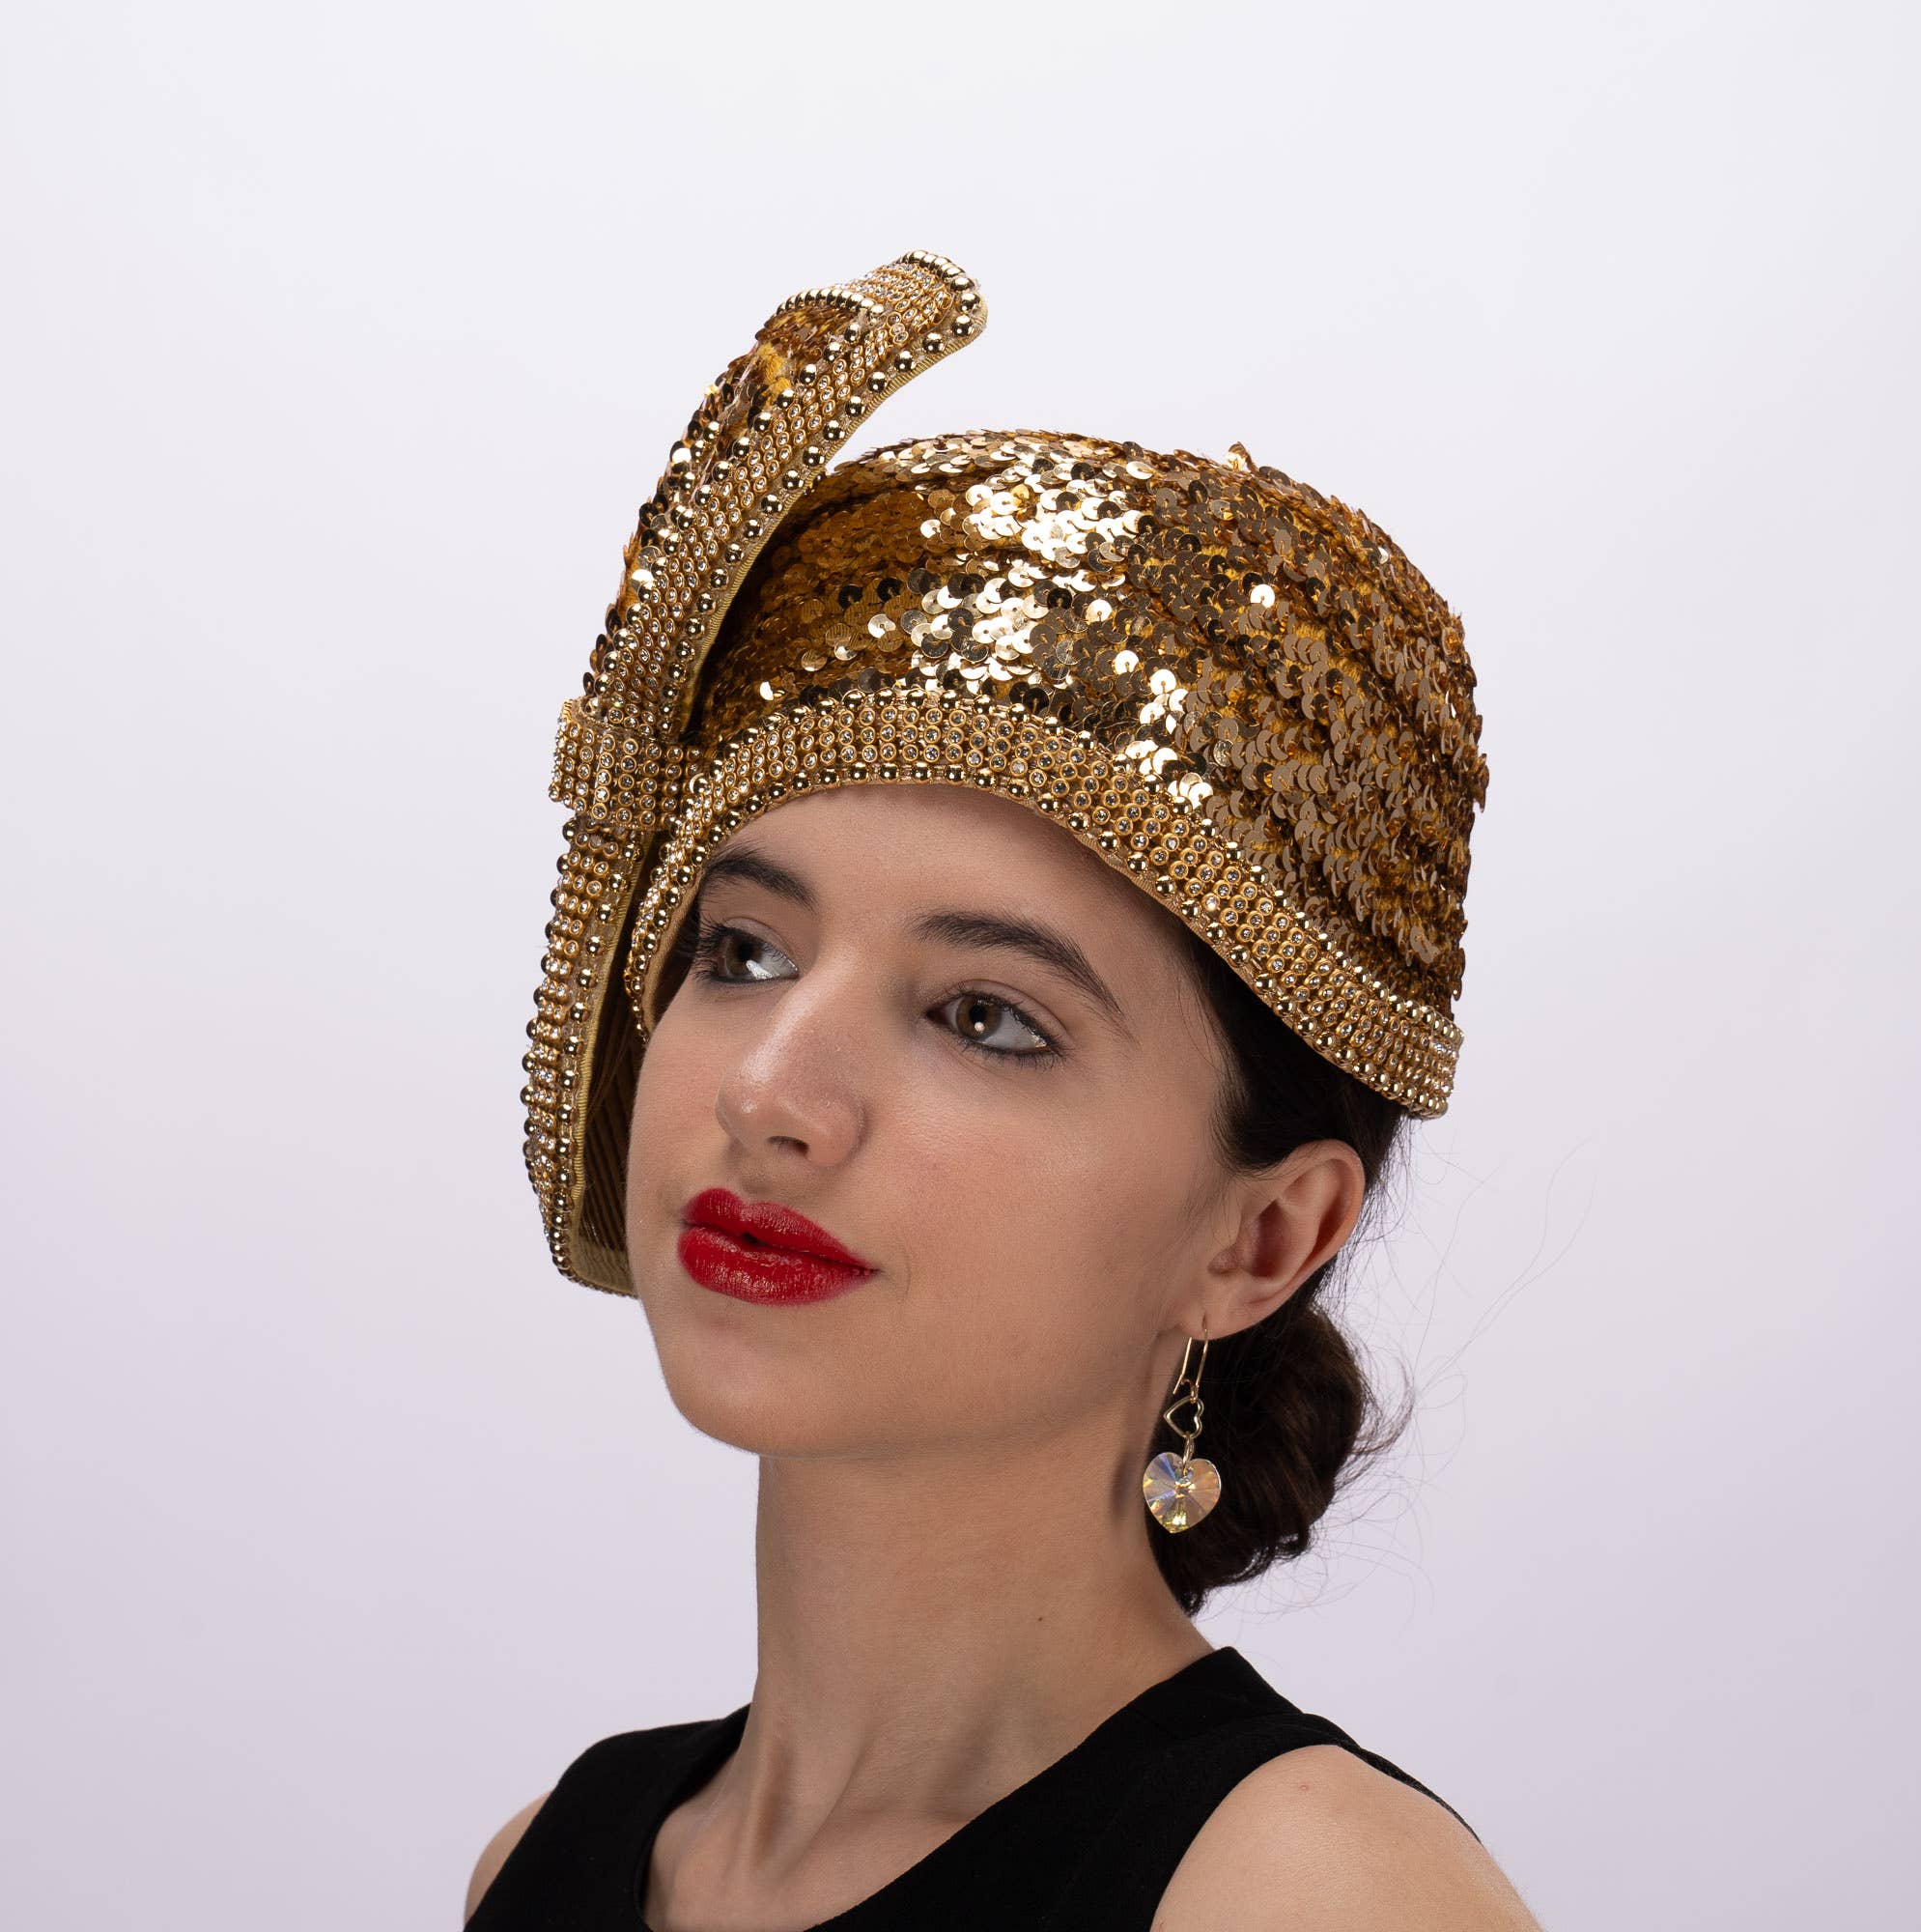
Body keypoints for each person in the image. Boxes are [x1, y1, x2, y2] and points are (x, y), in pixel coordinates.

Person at [468, 252, 1542, 1928]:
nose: (771, 1092)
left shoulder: (1308, 1897)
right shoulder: (552, 1860)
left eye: (984, 1018)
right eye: (741, 950)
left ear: (1261, 1239)